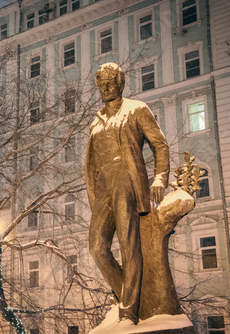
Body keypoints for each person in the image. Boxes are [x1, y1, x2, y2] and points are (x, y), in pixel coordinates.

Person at [85, 63, 170, 324]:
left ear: (121, 84)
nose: (106, 87)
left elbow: (160, 145)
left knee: (129, 246)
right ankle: (130, 293)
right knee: (97, 247)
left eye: (111, 82)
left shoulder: (136, 109)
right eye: (102, 84)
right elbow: (91, 161)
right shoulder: (96, 120)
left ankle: (129, 310)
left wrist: (160, 178)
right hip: (103, 189)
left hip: (128, 184)